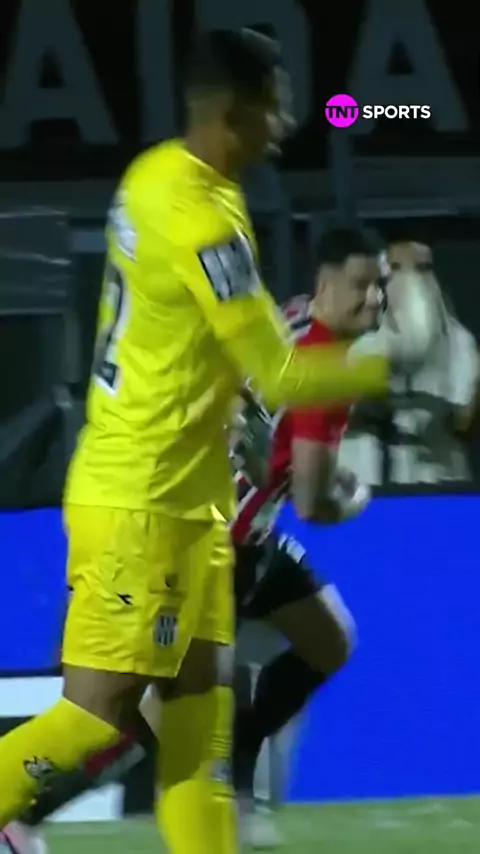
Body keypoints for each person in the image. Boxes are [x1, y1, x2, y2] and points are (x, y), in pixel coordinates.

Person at [0, 30, 394, 854]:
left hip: (193, 503)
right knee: (93, 718)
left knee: (196, 740)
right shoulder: (200, 218)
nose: (285, 124)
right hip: (140, 500)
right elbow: (281, 373)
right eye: (274, 108)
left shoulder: (160, 178)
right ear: (231, 112)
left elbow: (206, 344)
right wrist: (388, 363)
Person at [339, 238, 479, 485]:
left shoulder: (460, 342)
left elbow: (463, 421)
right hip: (368, 480)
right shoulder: (359, 337)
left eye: (421, 268)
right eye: (396, 268)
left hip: (435, 479)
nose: (408, 279)